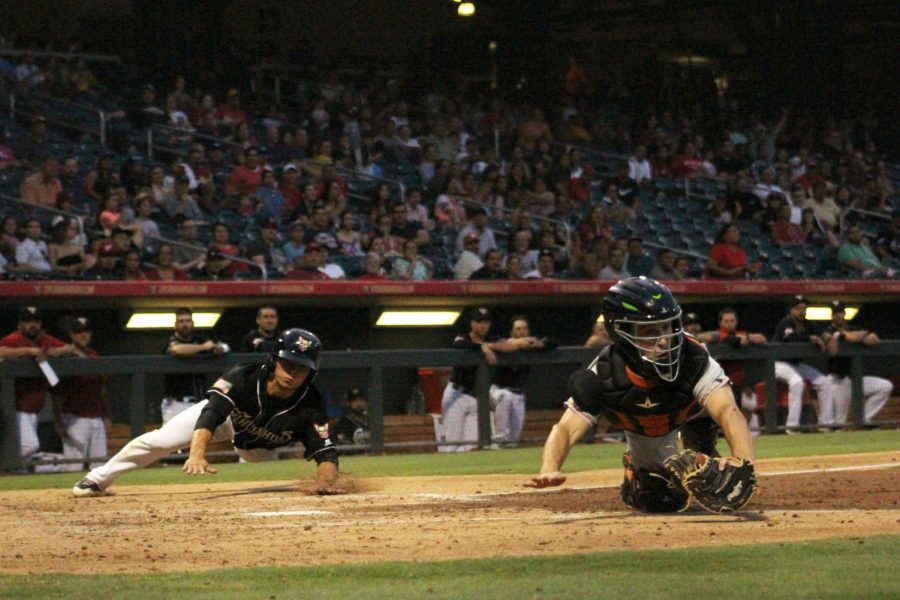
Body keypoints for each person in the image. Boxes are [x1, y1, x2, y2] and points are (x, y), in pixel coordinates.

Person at [526, 277, 756, 514]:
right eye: (650, 331)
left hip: (691, 412)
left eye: (667, 327)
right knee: (659, 498)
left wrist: (744, 464)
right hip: (647, 426)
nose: (664, 340)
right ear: (620, 331)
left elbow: (729, 410)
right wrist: (549, 468)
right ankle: (637, 472)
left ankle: (702, 449)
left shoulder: (694, 356)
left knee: (708, 419)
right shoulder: (603, 373)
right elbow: (565, 429)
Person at [73, 329, 340, 497]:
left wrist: (325, 483)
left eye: (301, 368)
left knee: (254, 456)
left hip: (261, 447)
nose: (293, 373)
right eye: (288, 364)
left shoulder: (311, 404)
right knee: (160, 440)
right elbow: (212, 413)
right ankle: (96, 480)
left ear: (311, 372)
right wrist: (197, 453)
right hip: (227, 418)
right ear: (273, 360)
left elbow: (324, 451)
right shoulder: (243, 377)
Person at [442, 308, 536, 452]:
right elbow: (459, 344)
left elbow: (510, 345)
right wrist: (482, 348)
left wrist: (489, 346)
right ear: (472, 324)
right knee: (451, 445)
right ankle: (445, 474)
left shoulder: (492, 339)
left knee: (472, 445)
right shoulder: (463, 337)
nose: (483, 325)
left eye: (486, 322)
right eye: (479, 322)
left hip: (477, 398)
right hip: (457, 394)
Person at [0, 307, 80, 464]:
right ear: (19, 324)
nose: (32, 325)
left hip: (33, 409)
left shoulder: (45, 340)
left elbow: (72, 349)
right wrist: (29, 351)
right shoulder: (14, 339)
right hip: (13, 408)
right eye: (28, 321)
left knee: (26, 451)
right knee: (29, 446)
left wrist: (57, 351)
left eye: (36, 321)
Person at [823, 301, 892, 427]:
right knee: (839, 423)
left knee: (885, 386)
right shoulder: (827, 330)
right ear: (831, 315)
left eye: (841, 312)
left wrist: (849, 335)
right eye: (835, 313)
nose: (838, 316)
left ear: (844, 314)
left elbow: (874, 339)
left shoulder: (852, 327)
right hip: (837, 380)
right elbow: (851, 338)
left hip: (854, 379)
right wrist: (856, 337)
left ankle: (863, 419)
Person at [490, 315, 555, 447]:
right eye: (518, 329)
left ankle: (507, 460)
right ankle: (498, 439)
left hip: (518, 394)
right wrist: (523, 342)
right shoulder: (504, 342)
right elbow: (502, 343)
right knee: (505, 397)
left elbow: (552, 341)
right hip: (498, 390)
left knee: (513, 439)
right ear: (511, 332)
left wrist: (538, 343)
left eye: (524, 329)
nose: (521, 332)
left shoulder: (531, 346)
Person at [772, 295, 834, 432]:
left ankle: (826, 424)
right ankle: (792, 427)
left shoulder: (808, 323)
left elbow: (824, 334)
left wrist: (830, 338)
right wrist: (810, 338)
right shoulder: (785, 323)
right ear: (791, 310)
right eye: (798, 308)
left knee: (825, 382)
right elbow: (791, 338)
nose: (801, 311)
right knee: (797, 382)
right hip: (778, 364)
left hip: (797, 365)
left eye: (804, 308)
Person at [161, 307, 230, 424]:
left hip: (197, 401)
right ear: (175, 325)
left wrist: (218, 348)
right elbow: (176, 350)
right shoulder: (171, 340)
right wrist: (203, 348)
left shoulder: (199, 339)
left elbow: (223, 347)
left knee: (199, 438)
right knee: (173, 441)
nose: (185, 324)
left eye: (188, 321)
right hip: (176, 403)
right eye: (181, 321)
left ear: (192, 324)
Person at [58, 317, 109, 471]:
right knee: (73, 467)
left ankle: (97, 493)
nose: (83, 335)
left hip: (96, 417)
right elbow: (55, 393)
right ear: (72, 335)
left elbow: (102, 389)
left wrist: (106, 415)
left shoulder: (94, 355)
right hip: (74, 417)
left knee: (99, 466)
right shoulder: (64, 356)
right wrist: (58, 420)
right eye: (78, 332)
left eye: (86, 331)